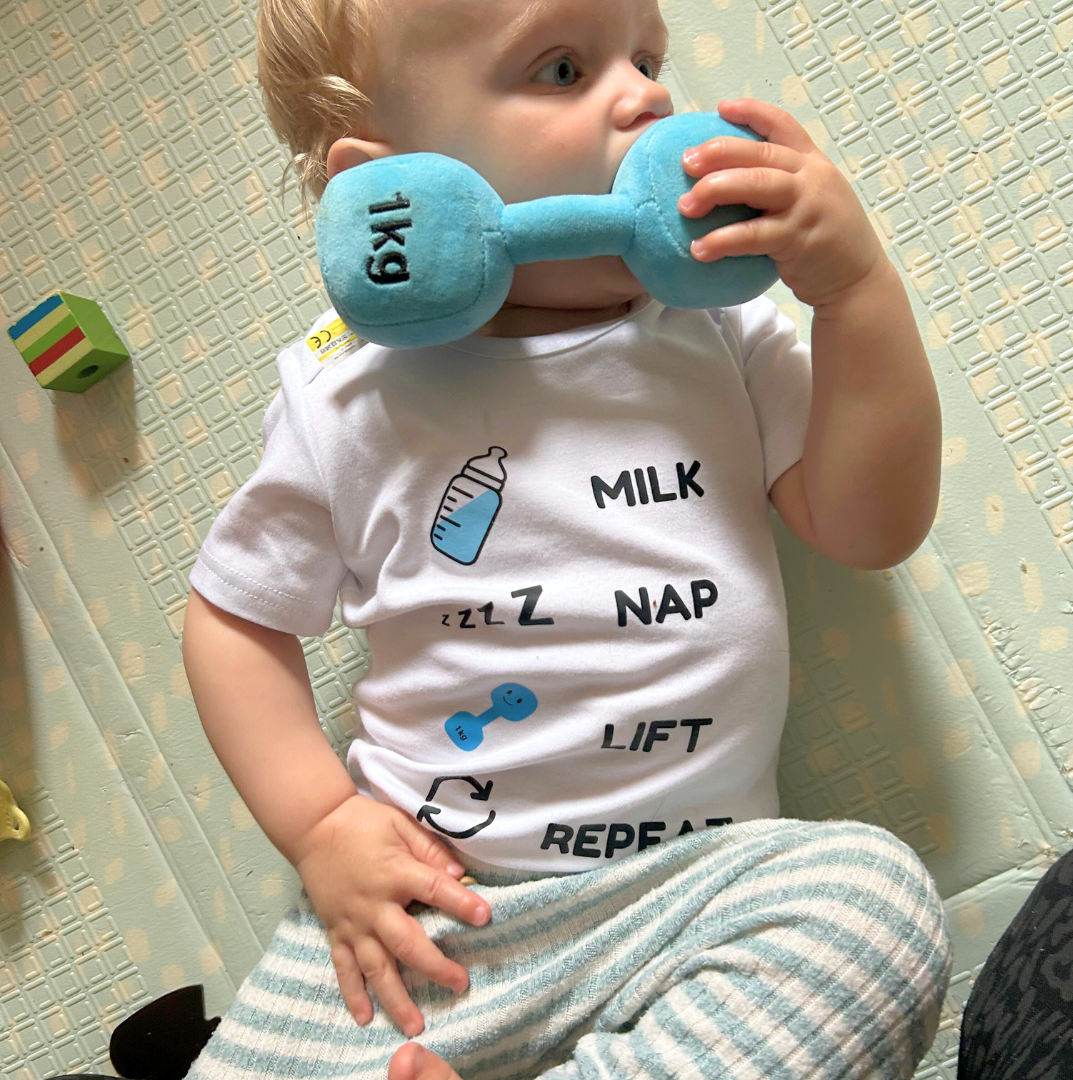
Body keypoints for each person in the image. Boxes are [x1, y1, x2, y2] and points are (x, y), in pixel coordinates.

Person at [180, 0, 952, 1077]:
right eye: (561, 66)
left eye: (647, 55)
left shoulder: (717, 332)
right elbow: (230, 620)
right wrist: (319, 830)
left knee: (871, 904)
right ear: (390, 189)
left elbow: (871, 525)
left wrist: (855, 292)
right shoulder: (342, 393)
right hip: (429, 918)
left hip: (687, 900)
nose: (646, 94)